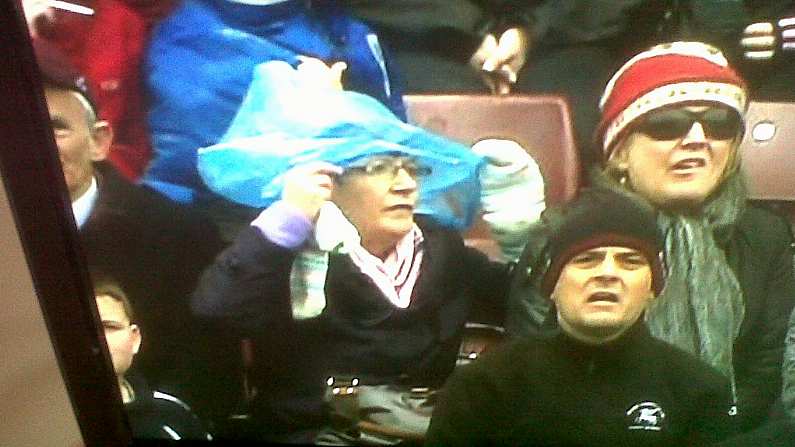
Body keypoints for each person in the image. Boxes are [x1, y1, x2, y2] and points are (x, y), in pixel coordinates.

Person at [507, 41, 795, 433]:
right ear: (619, 154)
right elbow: (540, 379)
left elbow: (764, 378)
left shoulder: (765, 237)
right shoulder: (565, 234)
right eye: (667, 125)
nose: (697, 138)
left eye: (719, 124)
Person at [191, 138, 543, 443]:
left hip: (423, 430)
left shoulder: (442, 248)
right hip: (313, 433)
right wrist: (289, 217)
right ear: (329, 182)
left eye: (412, 168)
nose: (405, 184)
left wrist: (525, 237)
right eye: (379, 168)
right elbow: (217, 311)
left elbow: (530, 310)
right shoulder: (296, 250)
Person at [426, 189, 735, 446]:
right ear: (551, 284)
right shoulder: (484, 387)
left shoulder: (700, 391)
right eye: (587, 260)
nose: (608, 273)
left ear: (654, 287)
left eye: (630, 261)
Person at [33, 41, 234, 429]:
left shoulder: (177, 235)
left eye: (55, 128)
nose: (31, 143)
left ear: (99, 141)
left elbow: (207, 378)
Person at [143, 0, 406, 207]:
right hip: (187, 219)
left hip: (322, 215)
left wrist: (333, 108)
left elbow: (393, 154)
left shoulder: (349, 40)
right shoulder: (162, 34)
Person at [93, 277, 212, 441]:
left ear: (135, 339)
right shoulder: (50, 421)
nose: (97, 339)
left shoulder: (173, 413)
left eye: (109, 327)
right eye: (85, 328)